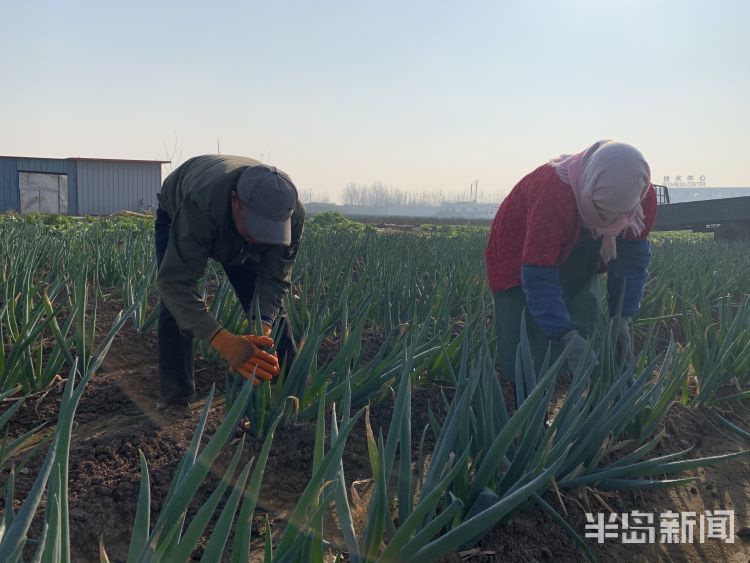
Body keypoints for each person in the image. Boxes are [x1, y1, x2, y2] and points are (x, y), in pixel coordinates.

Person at [485, 140, 658, 379]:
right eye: (601, 212)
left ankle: (583, 400)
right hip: (519, 253)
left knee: (585, 317)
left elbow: (631, 260)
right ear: (589, 192)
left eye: (619, 217)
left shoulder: (640, 196)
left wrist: (622, 317)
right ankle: (531, 406)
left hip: (578, 244)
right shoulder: (554, 193)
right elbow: (538, 274)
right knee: (527, 339)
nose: (610, 222)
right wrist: (564, 334)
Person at [154, 154, 305, 409]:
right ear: (235, 201)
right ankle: (175, 396)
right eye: (257, 227)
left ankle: (291, 389)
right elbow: (175, 284)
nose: (260, 239)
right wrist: (224, 341)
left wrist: (263, 325)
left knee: (269, 309)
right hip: (178, 211)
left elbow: (275, 279)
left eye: (270, 231)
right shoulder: (200, 204)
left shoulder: (289, 215)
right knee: (175, 306)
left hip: (230, 221)